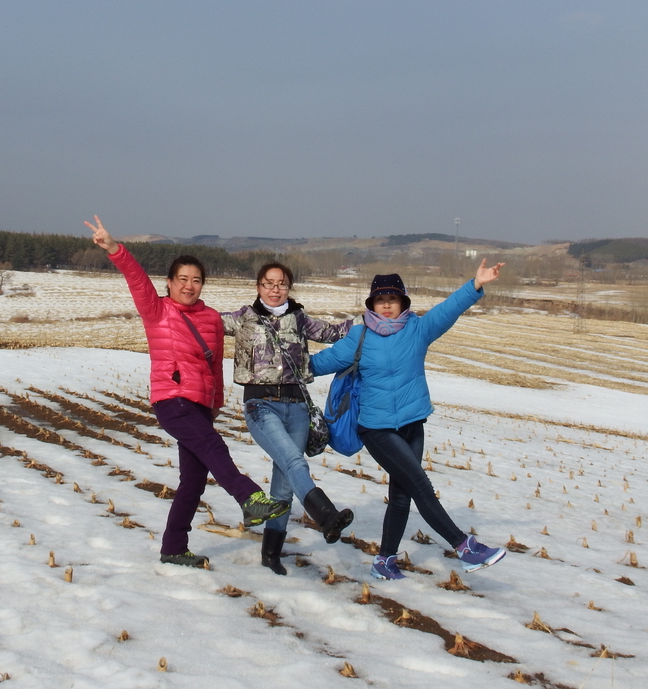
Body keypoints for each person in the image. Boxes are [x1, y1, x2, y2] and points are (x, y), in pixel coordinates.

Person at [85, 216, 289, 568]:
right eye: (183, 280)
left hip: (198, 406)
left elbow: (213, 367)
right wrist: (114, 248)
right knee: (214, 448)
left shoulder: (210, 318)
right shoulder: (157, 310)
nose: (189, 286)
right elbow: (136, 278)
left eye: (196, 280)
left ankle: (173, 548)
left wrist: (215, 405)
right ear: (170, 282)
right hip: (171, 399)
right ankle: (249, 497)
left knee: (193, 481)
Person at [310, 261, 508, 579]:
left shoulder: (418, 330)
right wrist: (274, 367)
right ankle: (464, 546)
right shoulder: (359, 337)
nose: (386, 305)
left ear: (403, 302)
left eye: (393, 298)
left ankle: (384, 561)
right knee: (420, 484)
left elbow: (447, 309)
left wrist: (475, 285)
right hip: (377, 428)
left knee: (402, 495)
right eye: (380, 299)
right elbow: (319, 363)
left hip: (413, 424)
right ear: (372, 304)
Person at [220, 262, 355, 575]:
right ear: (258, 286)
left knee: (283, 485)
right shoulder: (242, 319)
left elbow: (337, 333)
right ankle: (325, 516)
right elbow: (199, 322)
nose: (275, 288)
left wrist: (377, 322)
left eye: (281, 283)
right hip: (260, 405)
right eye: (268, 283)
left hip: (296, 407)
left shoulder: (300, 319)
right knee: (296, 463)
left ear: (289, 287)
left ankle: (271, 554)